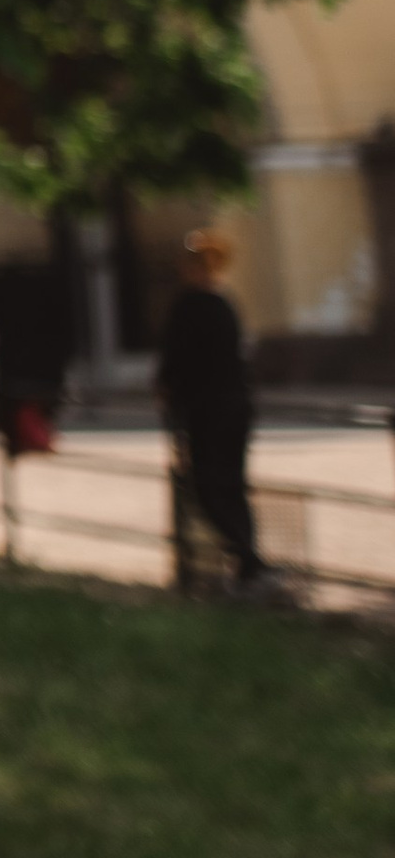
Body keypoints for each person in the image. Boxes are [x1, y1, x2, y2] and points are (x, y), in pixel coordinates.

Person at [159, 226, 273, 595]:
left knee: (211, 487)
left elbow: (176, 362)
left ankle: (248, 559)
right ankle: (247, 562)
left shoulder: (193, 305)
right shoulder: (220, 303)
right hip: (229, 409)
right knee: (229, 486)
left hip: (209, 412)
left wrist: (172, 398)